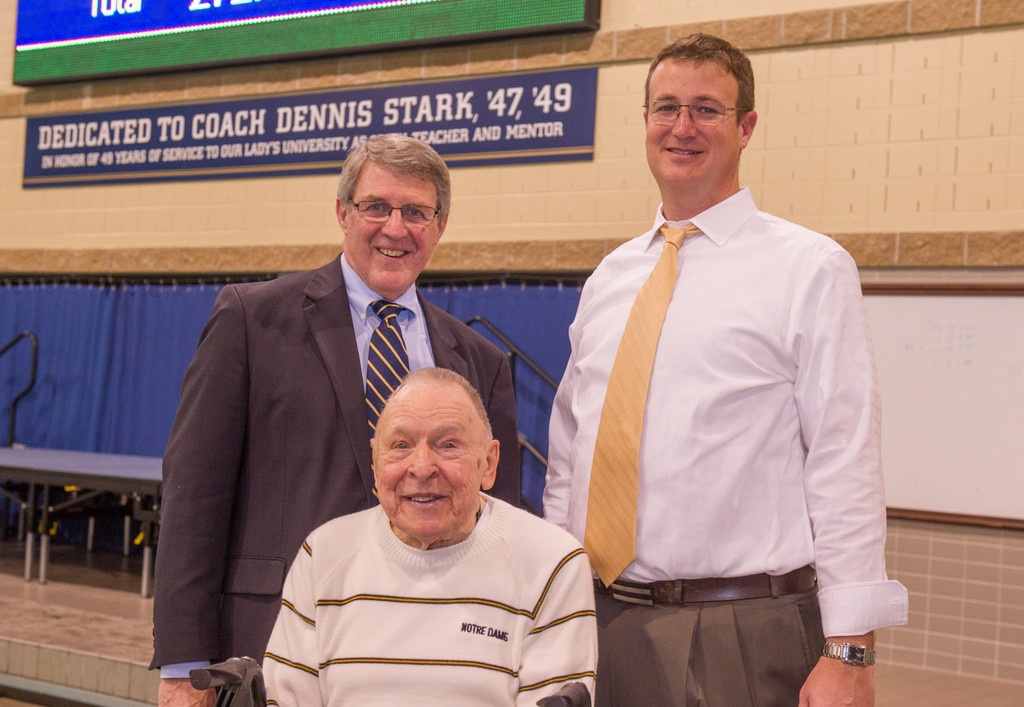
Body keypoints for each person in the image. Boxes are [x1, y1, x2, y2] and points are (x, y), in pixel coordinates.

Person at [544, 34, 907, 706]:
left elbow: (845, 459)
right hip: (600, 622)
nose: (682, 127)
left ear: (746, 128)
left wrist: (850, 650)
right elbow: (569, 454)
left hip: (740, 630)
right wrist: (557, 605)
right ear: (645, 121)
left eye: (706, 109)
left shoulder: (809, 268)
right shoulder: (611, 277)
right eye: (666, 107)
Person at [152, 134, 522, 706]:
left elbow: (500, 522)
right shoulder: (252, 320)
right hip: (275, 641)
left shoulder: (481, 363)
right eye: (376, 207)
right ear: (342, 213)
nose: (395, 228)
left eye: (416, 212)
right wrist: (184, 665)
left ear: (440, 225)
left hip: (434, 653)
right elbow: (194, 497)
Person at [263, 367, 597, 706]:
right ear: (375, 463)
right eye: (401, 445)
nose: (422, 468)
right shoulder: (323, 554)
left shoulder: (552, 563)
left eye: (448, 445)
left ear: (489, 463)